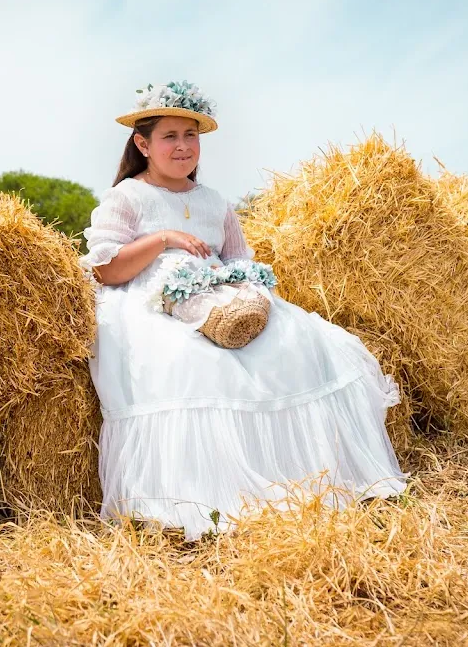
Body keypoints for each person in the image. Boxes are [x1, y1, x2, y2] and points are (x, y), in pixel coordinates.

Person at [79, 81, 407, 540]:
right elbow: (107, 271)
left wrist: (247, 292)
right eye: (169, 136)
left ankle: (304, 482)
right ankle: (201, 499)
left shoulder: (215, 202)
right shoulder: (128, 197)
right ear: (142, 144)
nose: (182, 146)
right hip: (152, 301)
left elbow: (239, 261)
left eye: (190, 135)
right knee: (188, 363)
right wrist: (163, 240)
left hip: (224, 298)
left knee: (305, 344)